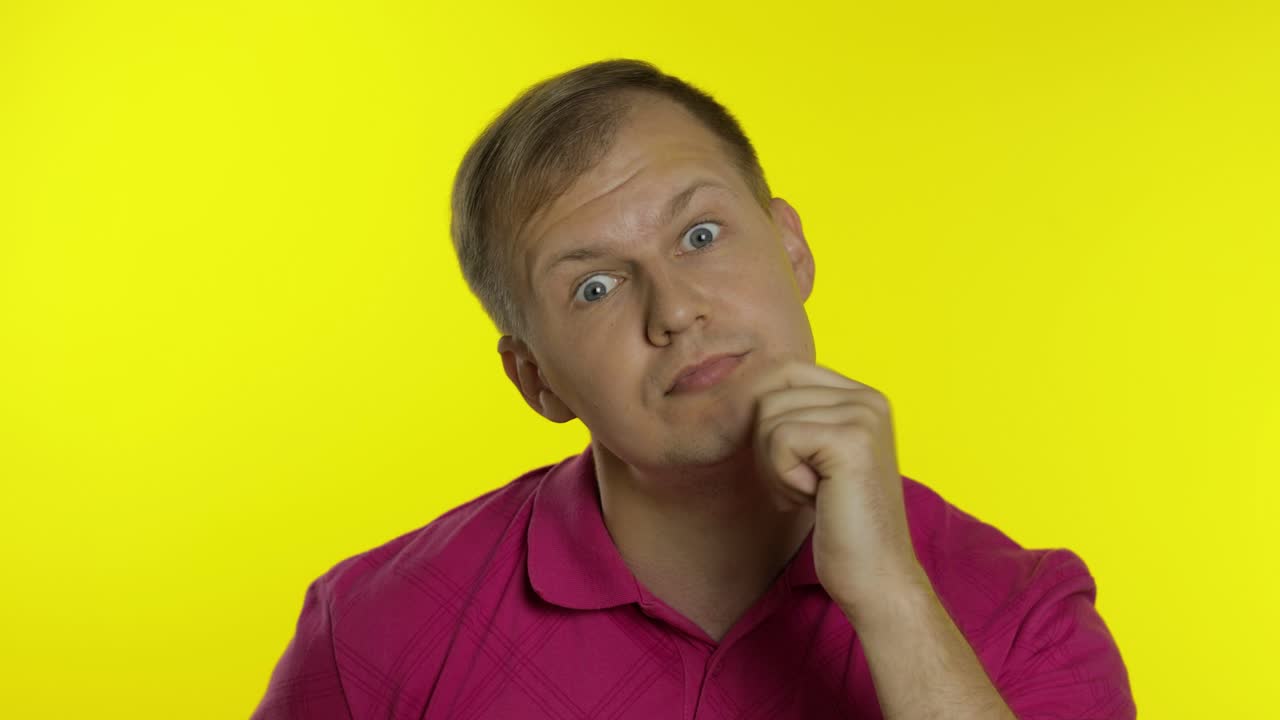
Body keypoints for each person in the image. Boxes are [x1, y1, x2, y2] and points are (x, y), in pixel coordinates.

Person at [251, 58, 1136, 719]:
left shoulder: (1026, 616)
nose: (675, 310)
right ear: (535, 380)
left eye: (701, 235)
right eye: (595, 287)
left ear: (791, 248)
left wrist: (892, 603)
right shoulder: (371, 632)